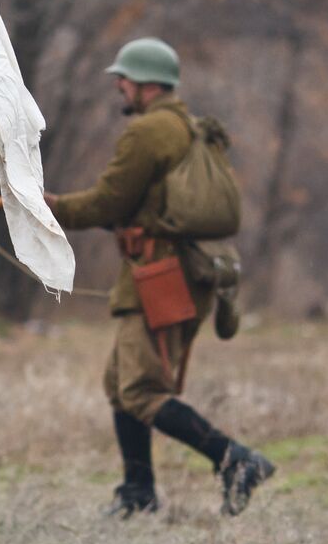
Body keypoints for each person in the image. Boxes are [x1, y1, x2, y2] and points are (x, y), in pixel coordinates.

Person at [46, 38, 273, 518]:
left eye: (123, 79)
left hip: (160, 278)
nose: (119, 86)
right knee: (120, 382)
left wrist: (48, 208)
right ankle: (138, 492)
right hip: (176, 274)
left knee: (142, 391)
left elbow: (108, 201)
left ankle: (235, 460)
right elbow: (142, 207)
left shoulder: (149, 132)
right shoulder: (189, 128)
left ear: (146, 83)